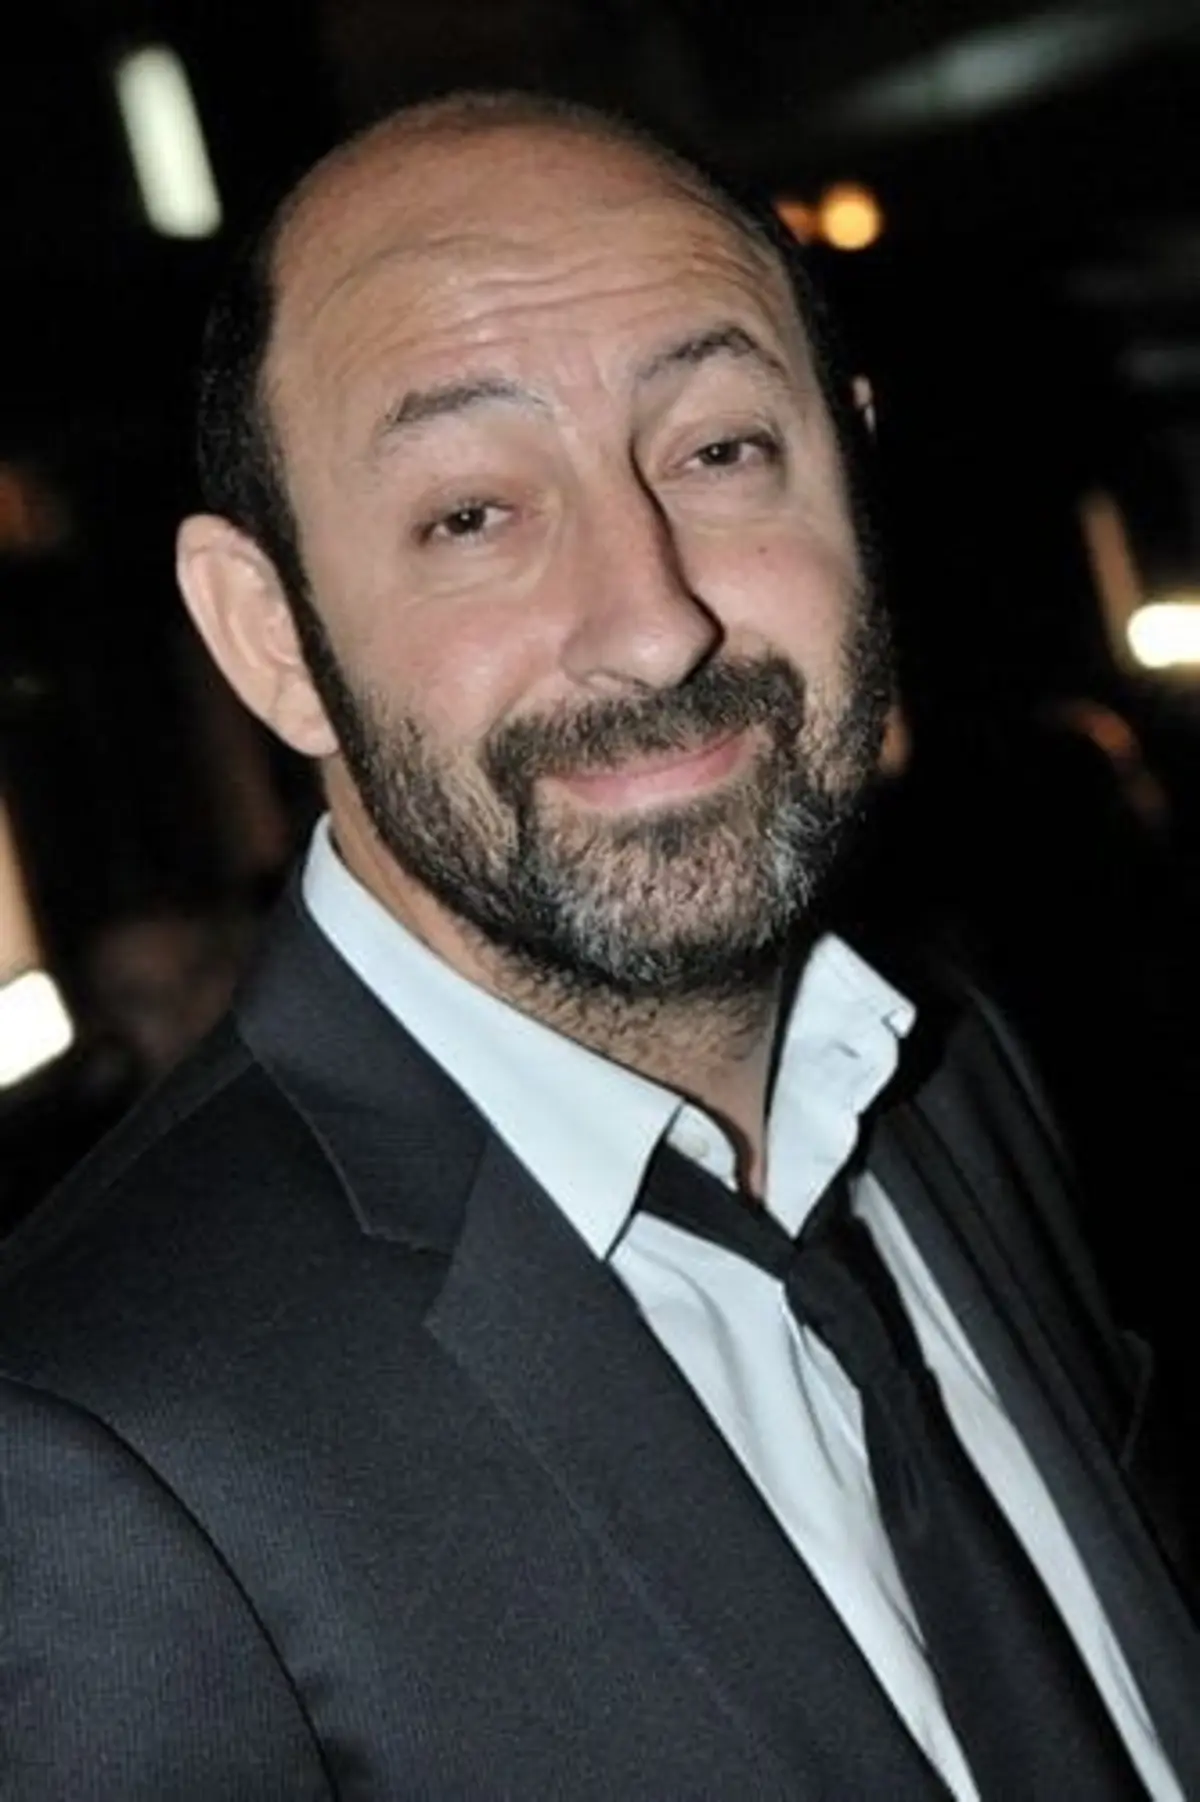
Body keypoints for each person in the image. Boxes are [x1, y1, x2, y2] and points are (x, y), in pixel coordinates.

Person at [0, 92, 1195, 1801]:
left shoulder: (953, 1068)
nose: (651, 622)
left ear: (854, 471)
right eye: (470, 514)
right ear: (271, 638)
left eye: (720, 452)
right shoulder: (85, 1462)